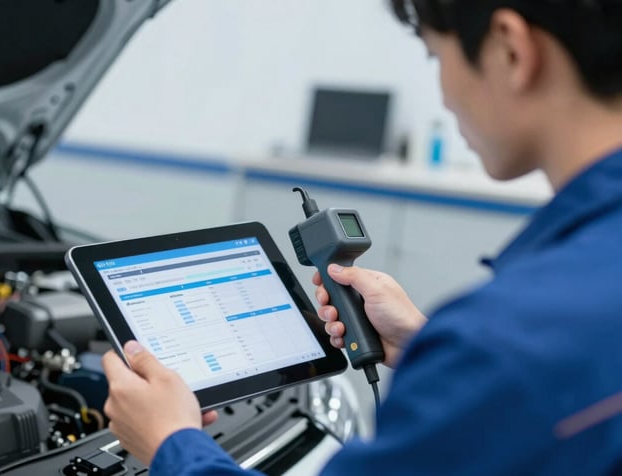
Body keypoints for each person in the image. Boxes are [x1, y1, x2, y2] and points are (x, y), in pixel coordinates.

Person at [101, 0, 622, 473]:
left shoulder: (506, 340)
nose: (444, 94)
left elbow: (525, 369)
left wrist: (171, 442)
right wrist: (426, 346)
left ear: (511, 49)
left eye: (437, 59)